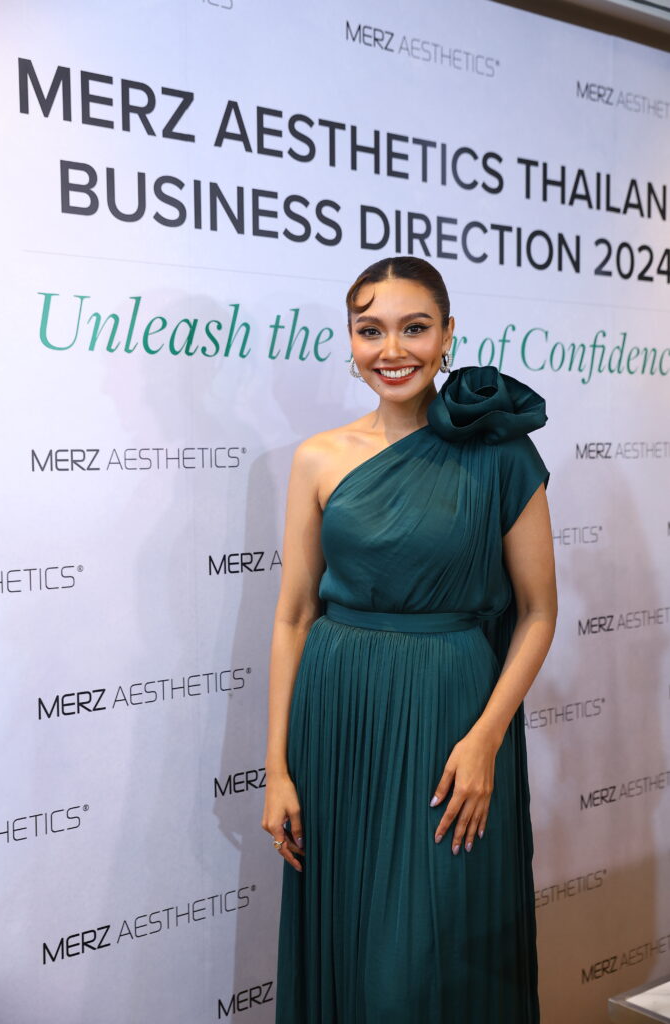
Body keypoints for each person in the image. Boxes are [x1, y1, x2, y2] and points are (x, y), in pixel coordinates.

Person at [262, 255, 557, 1022]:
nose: (391, 350)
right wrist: (276, 769)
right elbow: (294, 615)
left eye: (413, 328)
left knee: (421, 966)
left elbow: (537, 612)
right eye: (370, 331)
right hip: (337, 719)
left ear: (447, 335)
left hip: (449, 720)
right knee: (352, 945)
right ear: (350, 340)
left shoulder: (500, 454)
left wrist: (485, 739)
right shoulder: (317, 457)